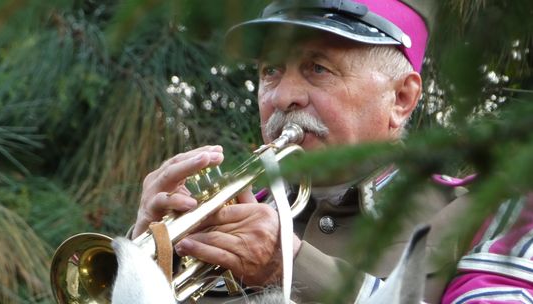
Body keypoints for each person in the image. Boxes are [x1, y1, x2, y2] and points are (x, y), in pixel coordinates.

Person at [130, 0, 469, 303]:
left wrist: (294, 265)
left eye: (317, 68)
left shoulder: (476, 220)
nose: (282, 97)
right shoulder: (217, 223)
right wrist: (143, 263)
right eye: (271, 71)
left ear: (401, 99)